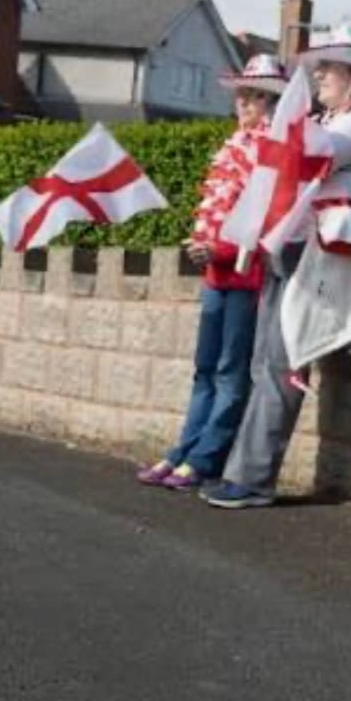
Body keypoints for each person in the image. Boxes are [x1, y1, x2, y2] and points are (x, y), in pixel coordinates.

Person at [200, 26, 351, 509]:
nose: (319, 75)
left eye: (329, 68)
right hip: (292, 251)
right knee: (263, 363)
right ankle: (244, 472)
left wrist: (277, 128)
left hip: (319, 260)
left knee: (281, 366)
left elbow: (311, 154)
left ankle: (252, 479)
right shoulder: (331, 118)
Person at [136, 54, 288, 490]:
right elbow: (219, 207)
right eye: (242, 95)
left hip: (245, 277)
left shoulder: (271, 152)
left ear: (272, 104)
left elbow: (263, 222)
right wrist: (205, 246)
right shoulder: (235, 144)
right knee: (205, 369)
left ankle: (205, 459)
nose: (244, 103)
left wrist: (218, 249)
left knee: (228, 372)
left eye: (255, 96)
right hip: (217, 275)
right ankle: (183, 451)